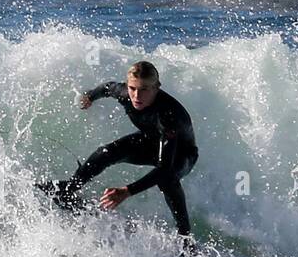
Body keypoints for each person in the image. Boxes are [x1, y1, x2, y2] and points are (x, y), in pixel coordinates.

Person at [39, 60, 199, 242]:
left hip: (182, 153)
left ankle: (186, 238)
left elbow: (164, 168)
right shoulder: (124, 93)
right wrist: (90, 97)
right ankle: (69, 190)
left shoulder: (169, 115)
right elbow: (107, 87)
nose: (137, 95)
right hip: (150, 141)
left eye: (144, 89)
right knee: (107, 152)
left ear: (156, 88)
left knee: (167, 180)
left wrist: (127, 191)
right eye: (133, 88)